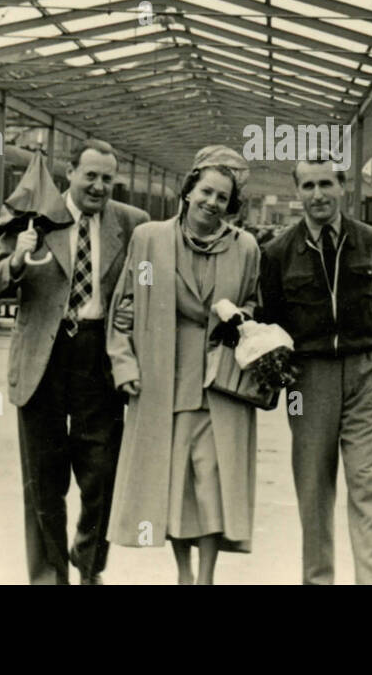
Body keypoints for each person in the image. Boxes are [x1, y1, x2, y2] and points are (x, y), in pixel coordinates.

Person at [0, 139, 148, 585]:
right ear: (69, 173)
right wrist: (16, 259)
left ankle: (88, 564)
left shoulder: (132, 224)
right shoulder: (34, 218)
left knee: (103, 476)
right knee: (43, 480)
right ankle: (49, 576)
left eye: (108, 178)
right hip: (43, 362)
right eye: (90, 175)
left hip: (99, 358)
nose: (99, 185)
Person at [106, 146, 260, 585]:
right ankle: (183, 574)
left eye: (222, 198)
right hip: (163, 378)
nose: (212, 203)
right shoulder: (151, 240)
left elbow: (253, 302)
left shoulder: (245, 247)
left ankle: (206, 577)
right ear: (189, 190)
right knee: (174, 486)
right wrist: (124, 365)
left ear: (232, 205)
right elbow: (127, 306)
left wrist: (241, 317)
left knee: (212, 485)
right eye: (206, 192)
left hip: (221, 384)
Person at [258, 156, 372, 585]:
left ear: (343, 188)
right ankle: (318, 580)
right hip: (308, 379)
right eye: (308, 186)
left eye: (326, 184)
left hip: (366, 373)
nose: (318, 194)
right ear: (298, 192)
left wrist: (365, 354)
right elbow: (273, 321)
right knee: (314, 488)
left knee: (365, 481)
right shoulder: (279, 252)